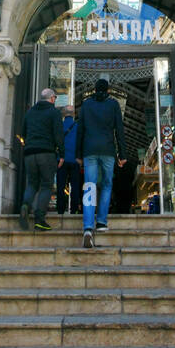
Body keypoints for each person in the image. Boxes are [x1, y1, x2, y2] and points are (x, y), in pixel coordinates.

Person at [76, 78, 125, 248]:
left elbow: (80, 129)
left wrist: (78, 154)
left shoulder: (86, 105)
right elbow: (119, 129)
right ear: (108, 90)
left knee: (89, 186)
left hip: (89, 150)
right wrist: (122, 154)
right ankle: (102, 222)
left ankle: (88, 227)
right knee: (106, 185)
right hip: (108, 151)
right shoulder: (113, 105)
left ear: (94, 90)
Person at [19, 88, 63, 231]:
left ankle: (25, 205)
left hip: (30, 153)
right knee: (46, 185)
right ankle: (39, 219)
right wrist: (62, 154)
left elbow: (23, 132)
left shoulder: (30, 112)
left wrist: (29, 143)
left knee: (32, 183)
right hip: (46, 153)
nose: (55, 100)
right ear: (51, 99)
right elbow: (58, 135)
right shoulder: (54, 112)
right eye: (55, 98)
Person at [54, 104, 82, 215]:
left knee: (60, 186)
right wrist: (80, 158)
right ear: (74, 114)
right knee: (75, 186)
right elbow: (81, 143)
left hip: (61, 160)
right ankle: (74, 209)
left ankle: (60, 209)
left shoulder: (59, 126)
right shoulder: (78, 126)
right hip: (75, 161)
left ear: (63, 115)